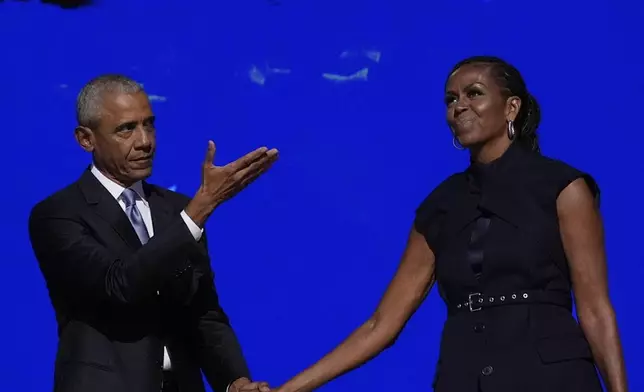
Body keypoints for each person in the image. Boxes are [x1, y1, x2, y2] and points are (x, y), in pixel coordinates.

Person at [269, 56, 627, 392]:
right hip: (462, 377)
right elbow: (381, 325)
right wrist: (288, 390)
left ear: (511, 108)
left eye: (474, 94)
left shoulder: (562, 187)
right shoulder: (441, 205)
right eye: (450, 99)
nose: (459, 107)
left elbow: (595, 310)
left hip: (551, 377)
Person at [28, 74, 278, 392]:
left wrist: (235, 381)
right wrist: (198, 212)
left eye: (149, 124)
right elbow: (119, 286)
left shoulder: (177, 209)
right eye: (126, 129)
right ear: (86, 139)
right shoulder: (58, 214)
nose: (145, 141)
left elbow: (204, 313)